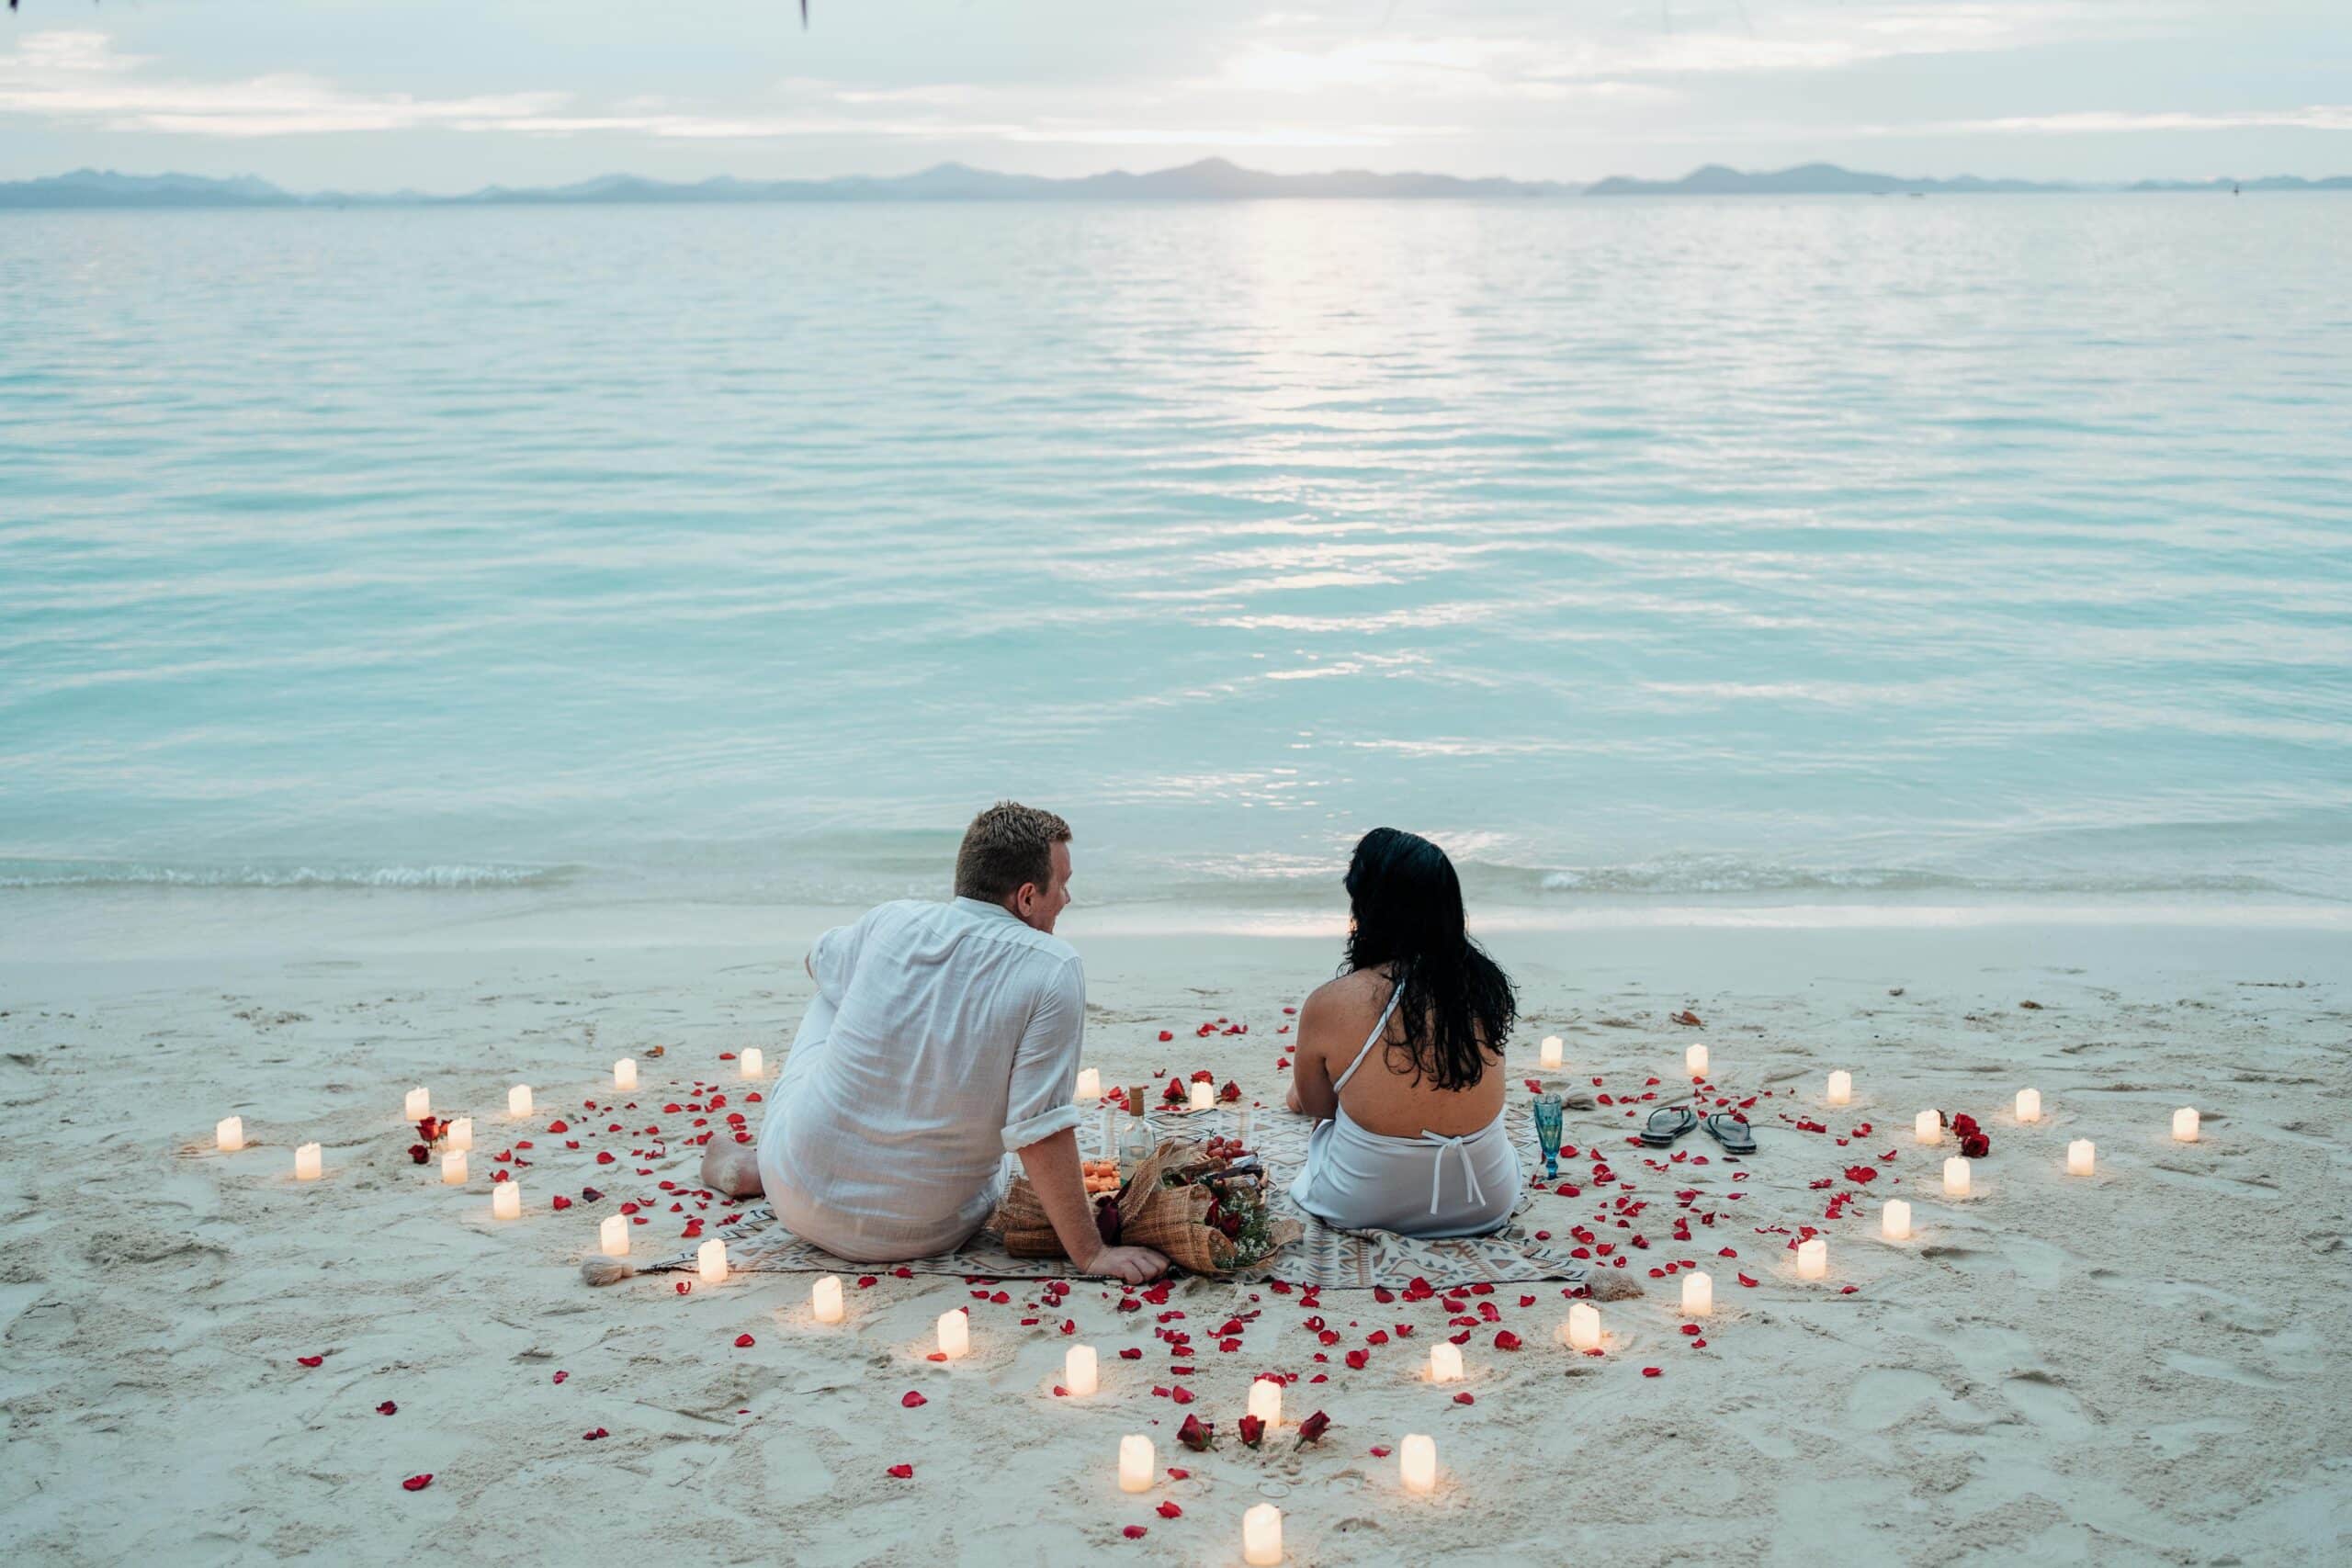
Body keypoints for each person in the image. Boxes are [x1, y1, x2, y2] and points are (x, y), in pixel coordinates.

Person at [701, 803, 1167, 1283]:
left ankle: (762, 1163)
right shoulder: (1053, 967)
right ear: (1027, 897)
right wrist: (1090, 1254)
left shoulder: (895, 920)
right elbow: (1039, 1129)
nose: (1067, 898)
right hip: (932, 1227)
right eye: (1063, 884)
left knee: (833, 993)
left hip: (795, 1195)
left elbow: (814, 960)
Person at [1286, 827, 1520, 1237]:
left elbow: (1318, 1108)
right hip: (1484, 1199)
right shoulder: (1484, 987)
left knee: (1325, 1124)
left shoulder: (1333, 1002)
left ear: (1367, 908)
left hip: (1365, 1203)